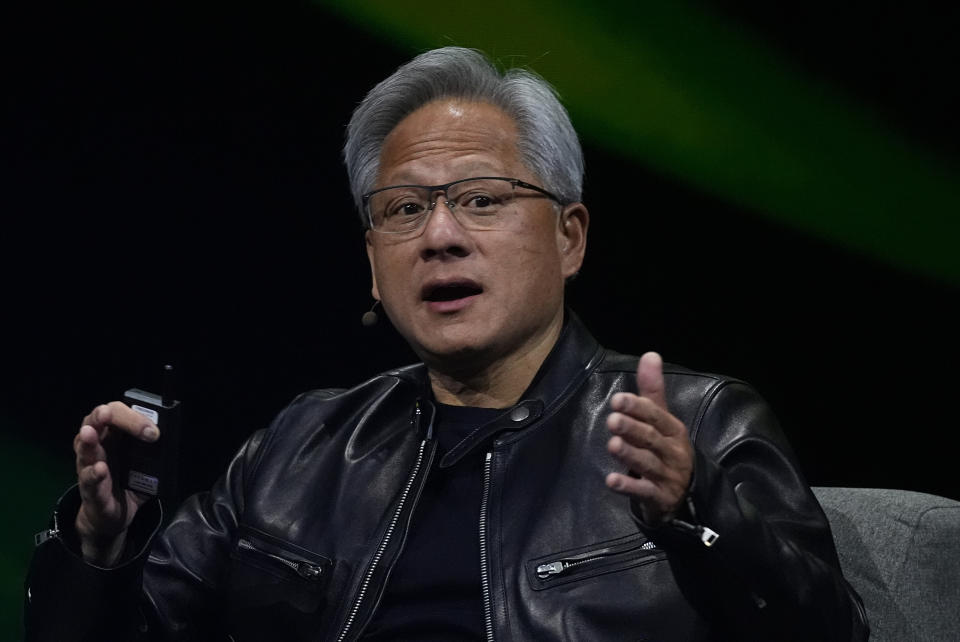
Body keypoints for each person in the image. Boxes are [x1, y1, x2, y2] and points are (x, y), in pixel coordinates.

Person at [25, 47, 868, 641]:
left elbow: (829, 630)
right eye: (403, 209)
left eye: (481, 199)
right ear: (371, 262)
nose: (438, 236)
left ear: (570, 237)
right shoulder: (301, 446)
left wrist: (695, 514)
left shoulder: (699, 422)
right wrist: (101, 549)